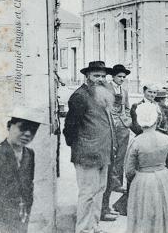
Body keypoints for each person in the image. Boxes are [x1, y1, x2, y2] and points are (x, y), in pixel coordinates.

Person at [63, 61, 116, 233]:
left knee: (99, 191)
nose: (100, 79)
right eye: (96, 76)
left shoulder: (102, 94)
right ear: (87, 77)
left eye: (103, 76)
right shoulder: (80, 96)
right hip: (87, 154)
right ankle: (83, 229)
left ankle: (94, 226)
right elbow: (70, 127)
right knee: (87, 193)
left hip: (103, 152)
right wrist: (81, 147)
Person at [125, 102, 168, 233]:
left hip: (143, 180)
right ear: (157, 119)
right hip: (164, 177)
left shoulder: (136, 141)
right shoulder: (166, 139)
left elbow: (129, 170)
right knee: (165, 210)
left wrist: (136, 179)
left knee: (144, 213)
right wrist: (165, 172)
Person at [0, 107, 48, 233]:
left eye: (33, 130)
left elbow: (28, 185)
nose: (28, 134)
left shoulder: (29, 154)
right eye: (23, 128)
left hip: (21, 218)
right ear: (9, 126)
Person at [101, 64, 131, 221]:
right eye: (119, 76)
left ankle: (117, 182)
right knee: (111, 155)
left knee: (121, 155)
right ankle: (110, 182)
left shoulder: (124, 91)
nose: (122, 79)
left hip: (123, 128)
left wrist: (128, 120)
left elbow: (126, 108)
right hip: (110, 125)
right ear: (113, 76)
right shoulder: (106, 89)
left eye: (124, 76)